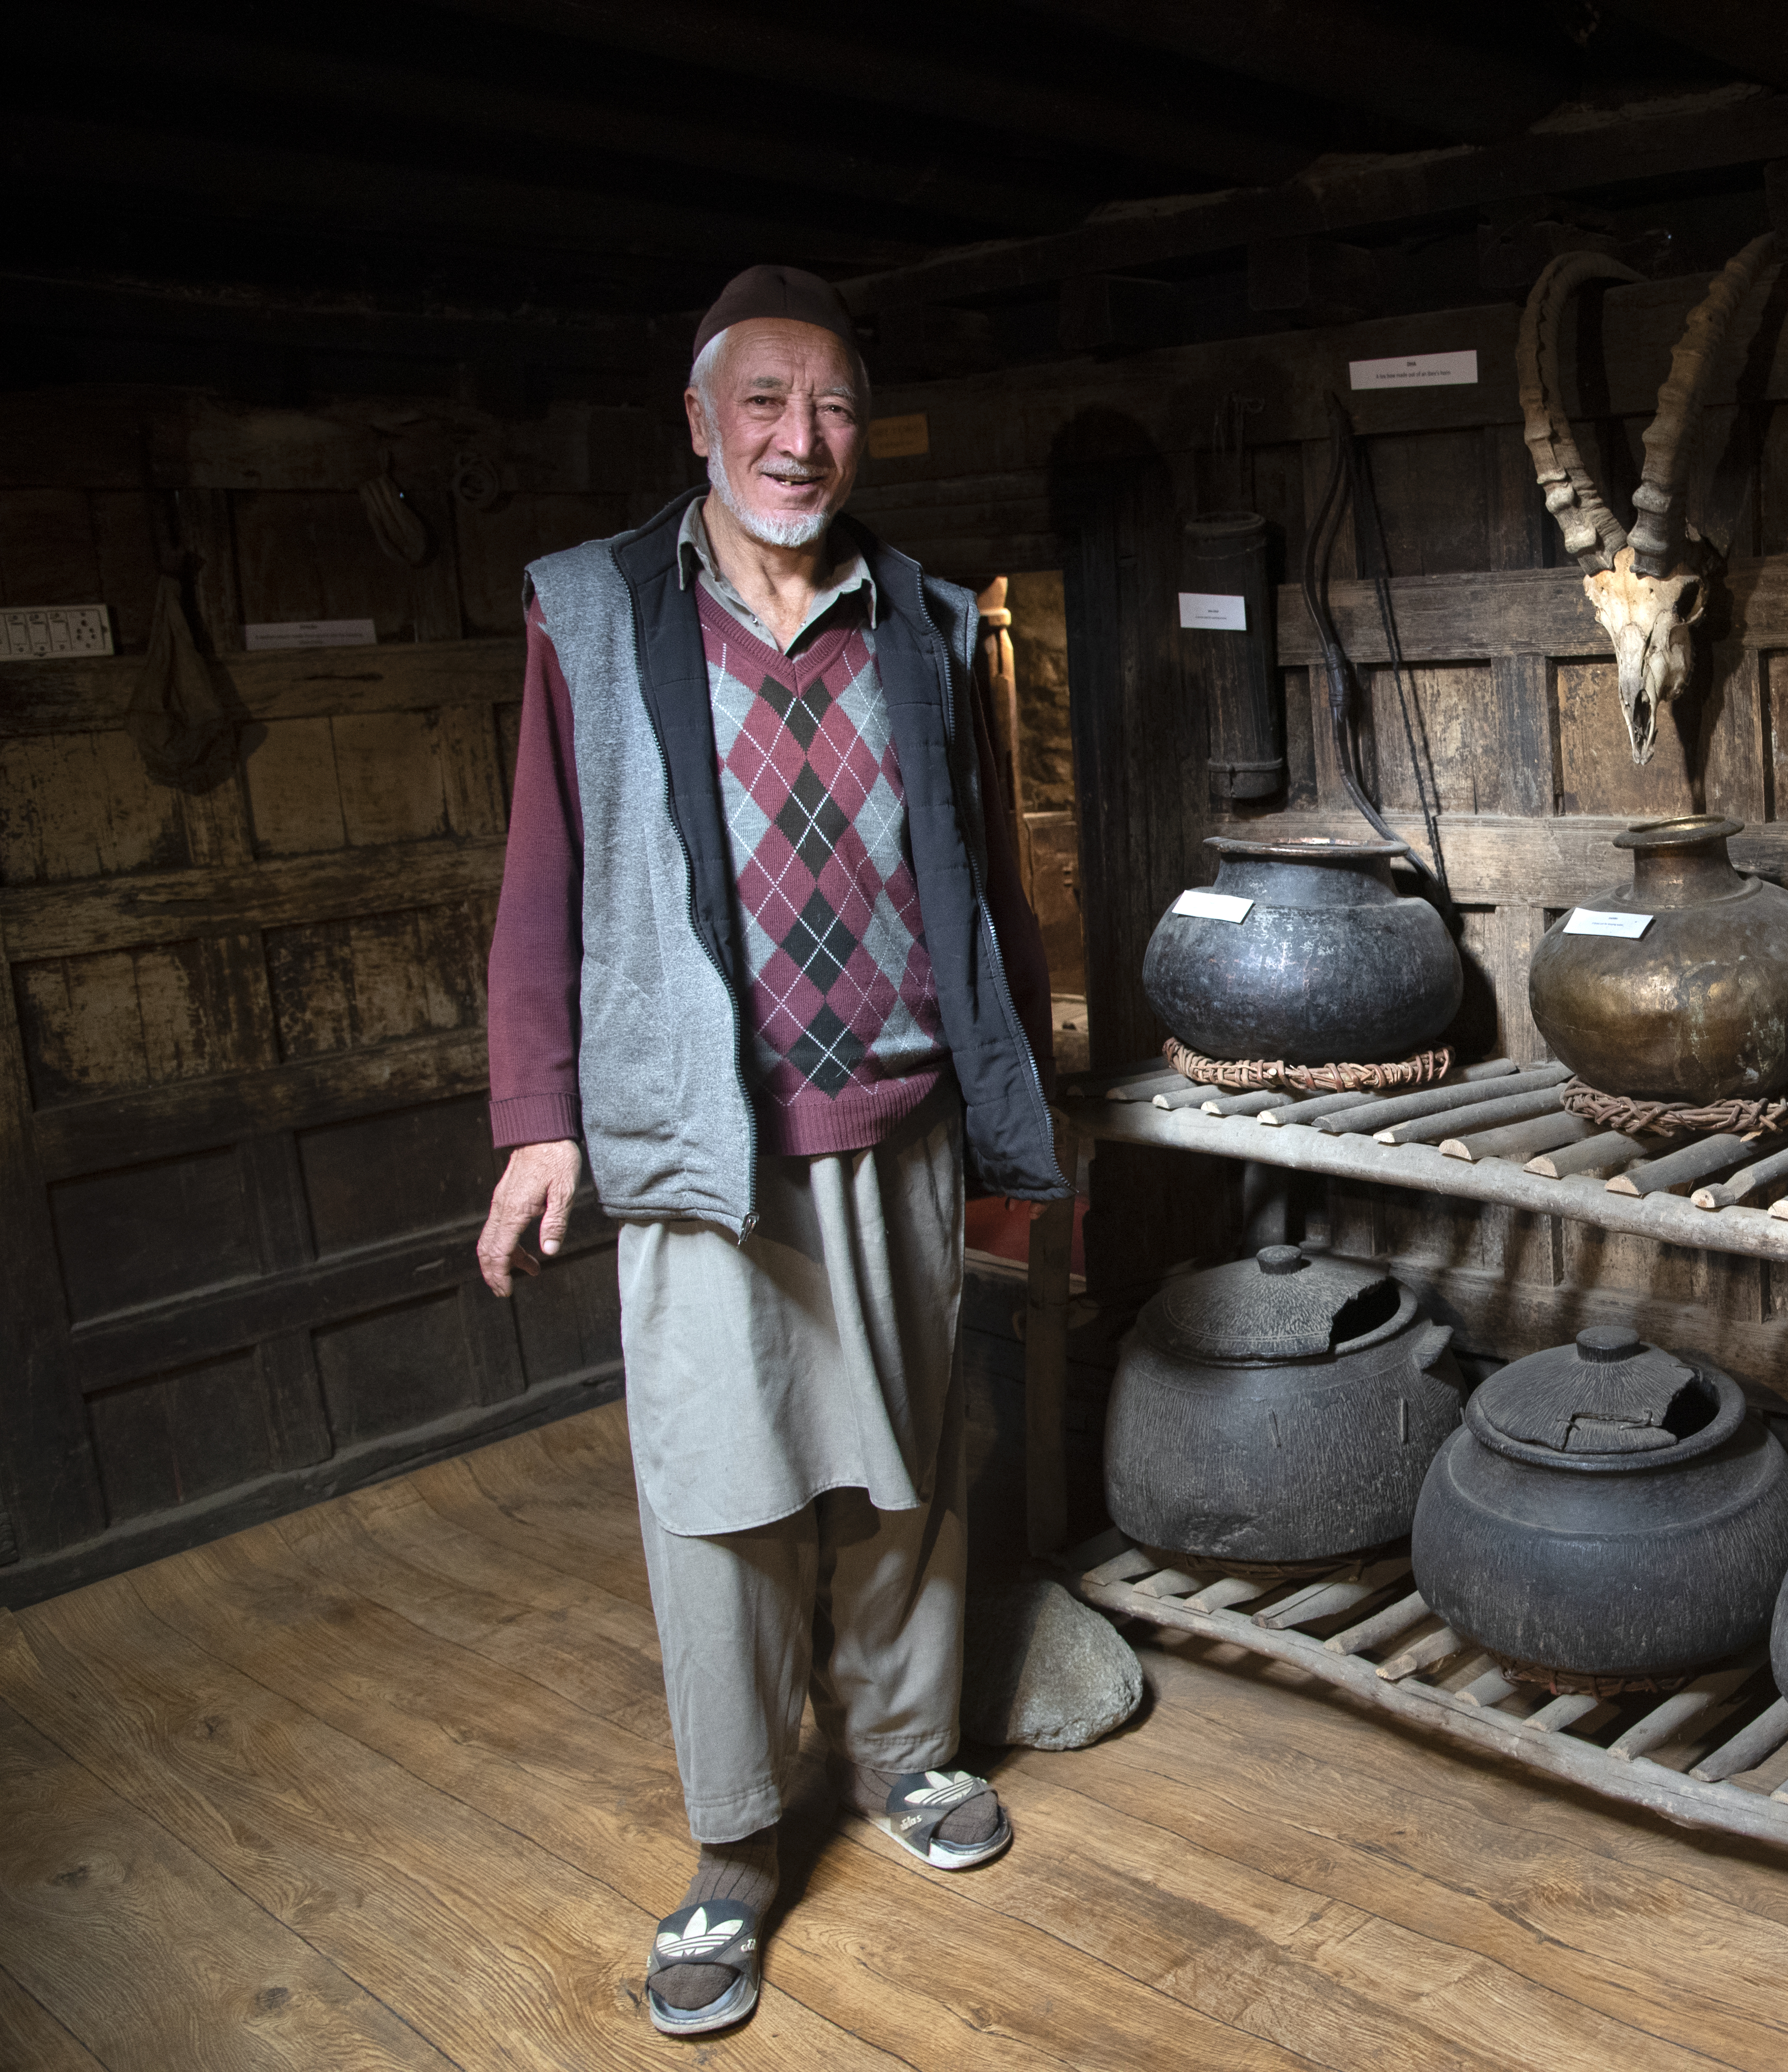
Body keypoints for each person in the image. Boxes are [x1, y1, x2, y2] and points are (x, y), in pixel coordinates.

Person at [475, 264, 1067, 2037]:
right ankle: (738, 1841)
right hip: (698, 1139)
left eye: (829, 409)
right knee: (718, 1500)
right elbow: (541, 882)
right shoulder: (588, 614)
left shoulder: (930, 619)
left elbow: (991, 892)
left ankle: (902, 1756)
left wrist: (1018, 1116)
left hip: (897, 1114)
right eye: (763, 406)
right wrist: (535, 1118)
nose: (799, 443)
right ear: (700, 422)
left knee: (906, 1470)